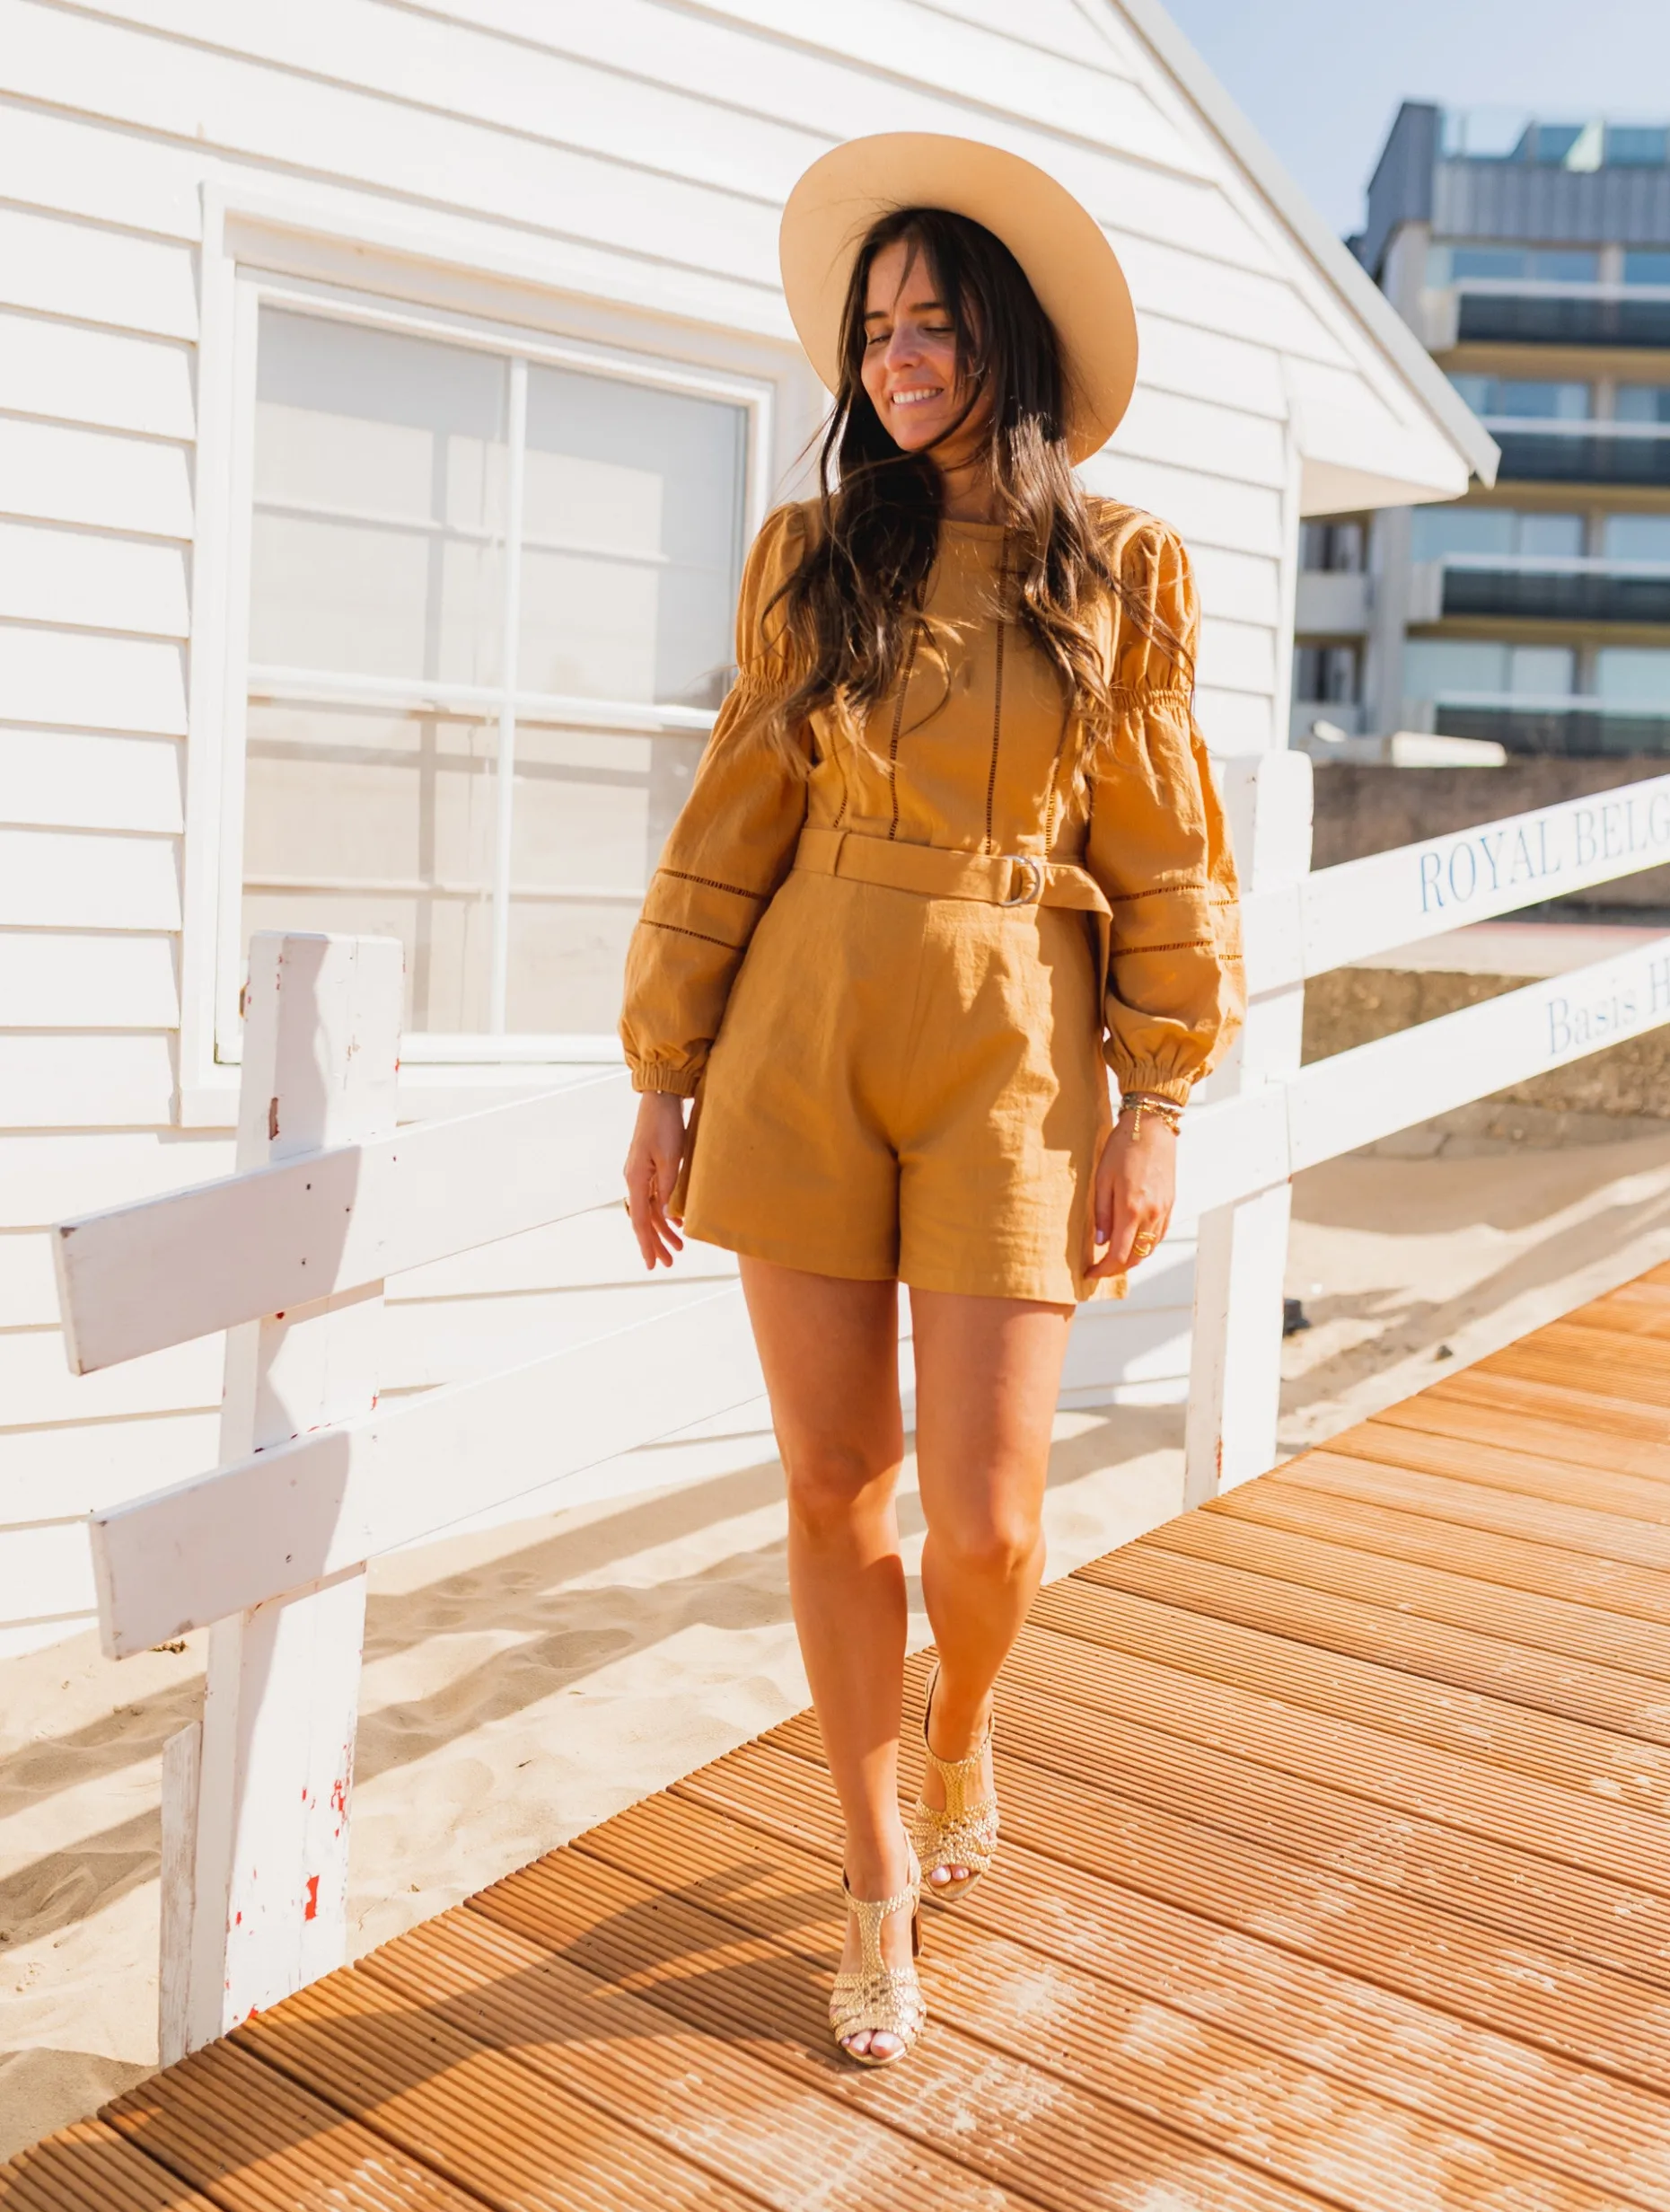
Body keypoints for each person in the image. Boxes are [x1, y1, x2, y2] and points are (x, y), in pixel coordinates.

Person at [620, 134, 1244, 2067]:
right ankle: (873, 1868)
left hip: (1018, 1050)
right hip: (803, 1028)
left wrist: (1160, 1095)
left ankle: (961, 1717)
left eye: (933, 324)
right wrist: (665, 1070)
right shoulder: (813, 557)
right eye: (876, 329)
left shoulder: (1119, 569)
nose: (896, 359)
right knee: (834, 1483)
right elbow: (735, 815)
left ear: (1008, 343)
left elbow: (1165, 851)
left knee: (986, 1524)